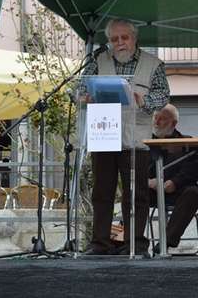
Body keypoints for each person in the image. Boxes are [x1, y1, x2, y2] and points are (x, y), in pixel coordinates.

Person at [83, 18, 170, 257]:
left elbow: (163, 95)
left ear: (134, 38)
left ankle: (135, 244)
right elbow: (79, 90)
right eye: (114, 39)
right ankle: (100, 243)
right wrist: (84, 97)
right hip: (104, 132)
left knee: (136, 194)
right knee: (102, 192)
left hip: (136, 136)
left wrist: (144, 101)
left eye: (124, 38)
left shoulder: (153, 64)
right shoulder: (97, 60)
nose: (119, 43)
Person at [148, 104, 198, 254]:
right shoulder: (145, 142)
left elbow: (195, 170)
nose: (157, 122)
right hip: (152, 189)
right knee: (134, 193)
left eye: (163, 119)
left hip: (178, 189)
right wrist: (149, 181)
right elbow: (139, 169)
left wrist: (175, 182)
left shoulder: (187, 142)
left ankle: (166, 241)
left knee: (193, 193)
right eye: (155, 118)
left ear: (174, 123)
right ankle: (133, 242)